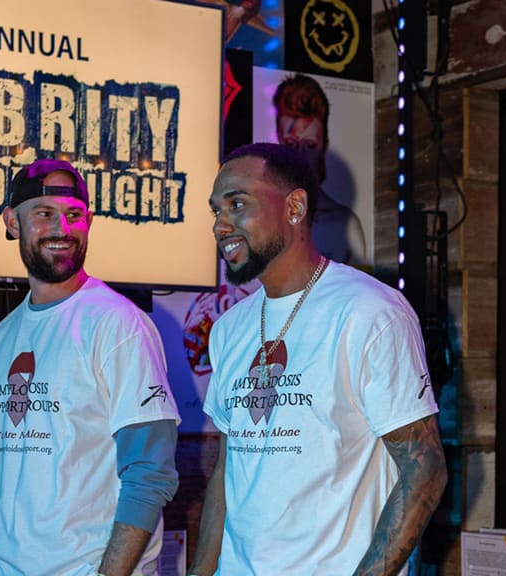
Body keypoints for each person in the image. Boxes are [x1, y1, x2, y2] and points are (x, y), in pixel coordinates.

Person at [190, 143, 447, 575]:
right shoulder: (230, 328)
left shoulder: (370, 311)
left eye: (237, 204)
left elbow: (425, 470)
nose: (220, 224)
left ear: (294, 207)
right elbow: (227, 469)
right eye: (216, 210)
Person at [0, 158, 181, 576]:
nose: (62, 229)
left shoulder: (118, 324)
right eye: (44, 214)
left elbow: (150, 473)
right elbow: (7, 475)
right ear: (12, 222)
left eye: (74, 215)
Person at [273, 73, 368, 266]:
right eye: (291, 144)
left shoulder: (343, 223)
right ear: (279, 142)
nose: (300, 155)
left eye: (310, 145)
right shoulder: (263, 215)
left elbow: (359, 284)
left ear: (324, 145)